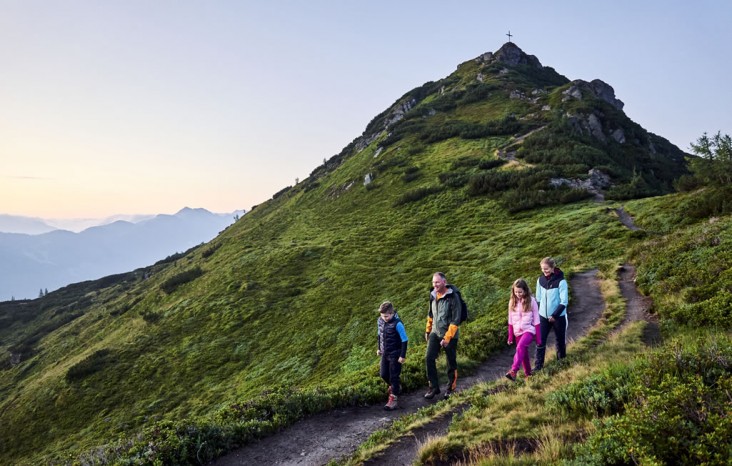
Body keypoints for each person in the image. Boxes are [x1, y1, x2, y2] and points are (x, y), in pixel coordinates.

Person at [424, 272, 462, 399]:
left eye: (437, 282)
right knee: (429, 358)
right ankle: (433, 387)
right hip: (435, 331)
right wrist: (428, 331)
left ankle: (451, 388)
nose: (435, 285)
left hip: (450, 334)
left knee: (450, 361)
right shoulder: (433, 295)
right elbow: (430, 314)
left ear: (444, 282)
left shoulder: (453, 297)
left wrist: (447, 338)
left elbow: (455, 320)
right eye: (433, 282)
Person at [534, 257, 569, 371]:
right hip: (543, 317)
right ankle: (538, 367)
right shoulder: (540, 280)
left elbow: (564, 301)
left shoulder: (561, 281)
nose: (545, 271)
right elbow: (538, 298)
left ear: (553, 267)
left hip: (558, 317)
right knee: (540, 341)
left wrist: (554, 315)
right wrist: (540, 313)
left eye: (547, 269)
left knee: (560, 340)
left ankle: (561, 363)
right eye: (543, 269)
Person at [506, 278, 541, 381]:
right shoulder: (512, 301)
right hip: (517, 332)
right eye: (516, 292)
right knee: (523, 353)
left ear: (525, 290)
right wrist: (510, 335)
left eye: (520, 292)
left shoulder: (532, 301)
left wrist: (538, 338)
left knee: (520, 347)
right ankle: (528, 375)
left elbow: (536, 319)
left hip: (528, 330)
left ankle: (513, 371)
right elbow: (510, 320)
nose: (518, 294)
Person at [377, 301, 408, 411]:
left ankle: (393, 399)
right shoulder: (380, 321)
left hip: (395, 354)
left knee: (394, 376)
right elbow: (379, 335)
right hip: (385, 353)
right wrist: (379, 348)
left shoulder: (398, 323)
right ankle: (396, 387)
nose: (384, 318)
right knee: (383, 374)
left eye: (386, 316)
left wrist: (402, 355)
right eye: (382, 315)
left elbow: (405, 339)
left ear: (391, 313)